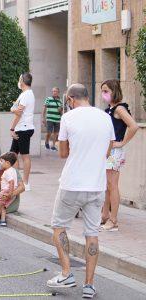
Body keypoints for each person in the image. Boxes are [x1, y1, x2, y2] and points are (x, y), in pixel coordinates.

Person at [46, 84, 115, 299]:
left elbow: (63, 153)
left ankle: (67, 273)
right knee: (92, 234)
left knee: (59, 227)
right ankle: (89, 285)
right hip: (97, 185)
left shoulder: (68, 117)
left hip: (72, 184)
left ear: (70, 98)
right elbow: (108, 149)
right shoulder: (105, 117)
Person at [100, 79, 138, 232]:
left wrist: (121, 143)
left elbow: (133, 126)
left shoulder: (119, 109)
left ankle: (113, 219)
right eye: (102, 91)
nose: (103, 94)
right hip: (110, 151)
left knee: (112, 186)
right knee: (107, 186)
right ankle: (105, 216)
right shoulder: (111, 108)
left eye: (106, 91)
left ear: (114, 91)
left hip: (114, 151)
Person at [9, 73, 35, 190]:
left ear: (23, 81)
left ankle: (25, 183)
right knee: (13, 155)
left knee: (25, 156)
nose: (18, 82)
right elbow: (15, 109)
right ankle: (17, 181)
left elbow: (18, 113)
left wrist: (12, 128)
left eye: (19, 79)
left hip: (23, 128)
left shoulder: (26, 95)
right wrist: (14, 109)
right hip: (21, 128)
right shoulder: (24, 94)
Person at [0, 152, 18, 227]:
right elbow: (10, 181)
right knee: (3, 206)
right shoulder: (13, 170)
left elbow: (11, 182)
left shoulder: (7, 172)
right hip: (12, 191)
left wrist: (10, 193)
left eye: (1, 161)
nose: (0, 163)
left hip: (6, 191)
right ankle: (3, 221)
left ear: (7, 162)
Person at [43, 87, 63, 151]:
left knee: (56, 133)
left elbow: (61, 111)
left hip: (57, 119)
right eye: (53, 91)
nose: (54, 92)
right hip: (49, 118)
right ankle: (46, 142)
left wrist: (60, 110)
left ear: (58, 92)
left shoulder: (60, 101)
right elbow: (44, 109)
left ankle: (53, 146)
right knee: (49, 132)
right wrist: (43, 118)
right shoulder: (48, 99)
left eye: (56, 91)